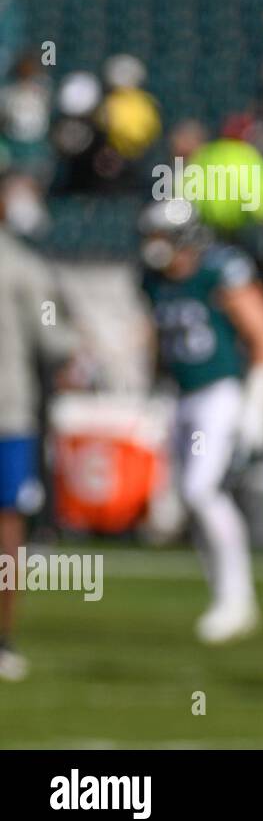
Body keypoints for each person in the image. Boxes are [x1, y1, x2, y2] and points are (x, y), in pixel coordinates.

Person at [140, 197, 263, 644]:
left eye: (160, 235)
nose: (152, 245)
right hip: (183, 396)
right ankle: (226, 598)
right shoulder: (155, 280)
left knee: (201, 491)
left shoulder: (219, 269)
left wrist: (256, 405)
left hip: (220, 392)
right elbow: (158, 342)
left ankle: (237, 601)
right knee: (191, 499)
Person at [0, 198, 79, 681]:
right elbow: (56, 341)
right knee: (8, 532)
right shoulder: (21, 264)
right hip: (8, 415)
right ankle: (3, 640)